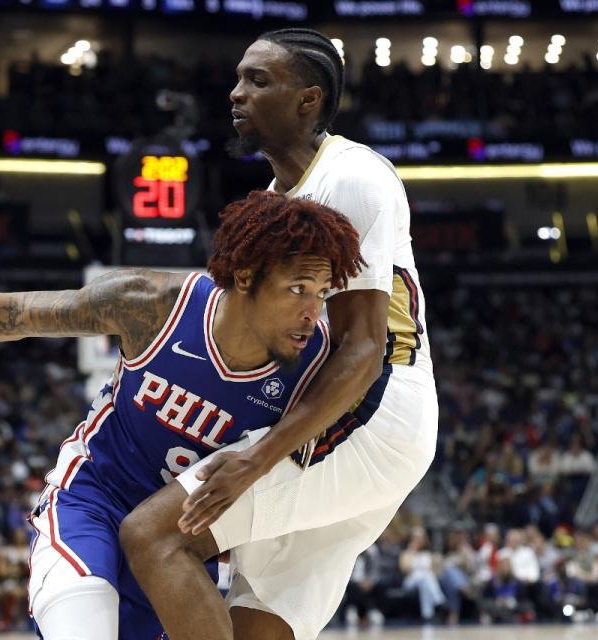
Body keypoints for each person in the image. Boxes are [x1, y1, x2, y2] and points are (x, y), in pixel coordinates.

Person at [0, 190, 364, 639]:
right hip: (91, 503)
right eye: (298, 289)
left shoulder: (320, 368)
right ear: (246, 276)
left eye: (322, 294)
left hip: (179, 548)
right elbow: (6, 314)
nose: (312, 312)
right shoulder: (154, 306)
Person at [118, 27, 437, 640]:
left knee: (155, 534)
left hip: (370, 412)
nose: (235, 93)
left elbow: (364, 348)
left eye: (257, 80)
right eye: (239, 78)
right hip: (338, 419)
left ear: (308, 100)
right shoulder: (273, 200)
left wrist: (256, 459)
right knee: (253, 629)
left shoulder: (351, 176)